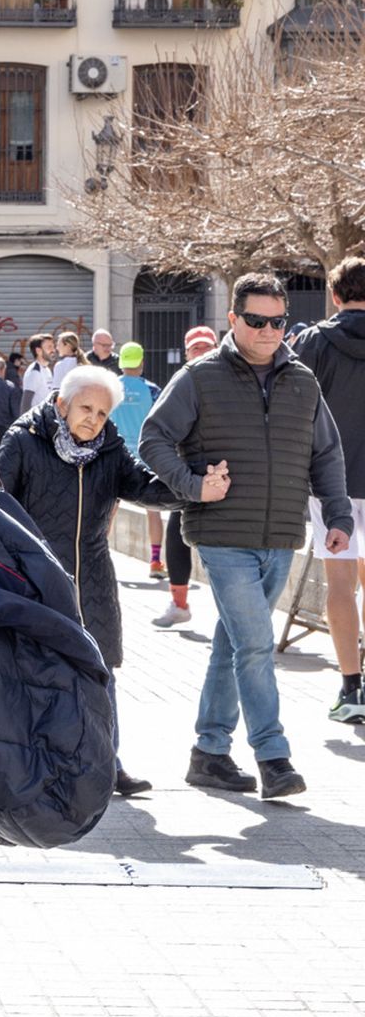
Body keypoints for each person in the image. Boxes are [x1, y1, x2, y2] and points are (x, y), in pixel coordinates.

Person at [140, 273, 352, 800]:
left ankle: (209, 753)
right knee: (256, 645)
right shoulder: (198, 376)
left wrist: (339, 515)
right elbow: (153, 438)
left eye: (277, 322)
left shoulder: (303, 379)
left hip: (280, 533)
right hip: (220, 532)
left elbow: (325, 453)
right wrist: (193, 486)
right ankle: (273, 757)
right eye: (256, 321)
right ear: (233, 320)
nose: (268, 331)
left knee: (232, 643)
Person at [0, 365, 182, 798]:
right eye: (86, 408)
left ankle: (108, 765)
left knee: (101, 673)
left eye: (101, 413)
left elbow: (143, 487)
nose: (93, 419)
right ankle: (31, 769)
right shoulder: (24, 442)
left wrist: (192, 487)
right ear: (62, 403)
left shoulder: (109, 449)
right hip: (36, 581)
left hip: (93, 580)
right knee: (36, 674)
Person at [292, 256, 365, 723]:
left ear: (334, 296)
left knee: (339, 582)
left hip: (332, 484)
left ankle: (351, 691)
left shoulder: (314, 342)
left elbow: (290, 404)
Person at [153, 326, 221, 628]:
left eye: (207, 347)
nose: (201, 352)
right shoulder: (179, 383)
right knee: (176, 536)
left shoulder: (229, 380)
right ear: (186, 353)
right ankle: (179, 604)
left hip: (224, 477)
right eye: (195, 348)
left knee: (221, 548)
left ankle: (230, 614)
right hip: (189, 478)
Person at [110, 342, 167, 578]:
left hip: (115, 456)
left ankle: (102, 558)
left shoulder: (110, 388)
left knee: (108, 510)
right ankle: (155, 562)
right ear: (142, 363)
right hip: (145, 457)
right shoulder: (152, 390)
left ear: (121, 363)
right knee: (153, 510)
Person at [19, 332, 55, 412]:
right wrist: (26, 424)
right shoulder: (34, 372)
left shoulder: (47, 370)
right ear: (38, 351)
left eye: (53, 347)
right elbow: (25, 404)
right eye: (49, 347)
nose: (53, 350)